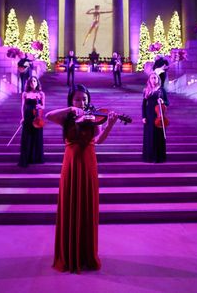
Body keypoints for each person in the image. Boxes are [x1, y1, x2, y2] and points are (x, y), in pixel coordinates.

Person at [45, 84, 118, 273]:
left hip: (88, 164)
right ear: (71, 100)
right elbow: (47, 116)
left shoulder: (93, 118)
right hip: (70, 165)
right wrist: (70, 109)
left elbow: (99, 140)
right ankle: (68, 255)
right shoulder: (67, 118)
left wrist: (109, 125)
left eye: (84, 99)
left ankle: (86, 255)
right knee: (70, 204)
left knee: (86, 205)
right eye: (77, 99)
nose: (82, 102)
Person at [142, 72, 169, 163]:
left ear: (158, 79)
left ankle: (159, 157)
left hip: (159, 116)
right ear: (149, 80)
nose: (154, 79)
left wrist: (163, 101)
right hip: (149, 116)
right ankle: (149, 157)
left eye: (155, 78)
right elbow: (143, 105)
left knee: (159, 136)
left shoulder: (162, 90)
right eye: (152, 78)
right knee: (150, 136)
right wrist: (143, 116)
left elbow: (167, 103)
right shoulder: (146, 90)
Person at [18, 76, 45, 167]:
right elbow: (22, 106)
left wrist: (40, 106)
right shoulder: (25, 93)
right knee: (26, 138)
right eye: (31, 81)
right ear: (29, 83)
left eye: (34, 81)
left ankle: (36, 158)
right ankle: (27, 158)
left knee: (36, 137)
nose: (33, 83)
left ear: (37, 83)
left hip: (37, 117)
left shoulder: (41, 94)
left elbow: (43, 106)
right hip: (27, 117)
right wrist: (22, 117)